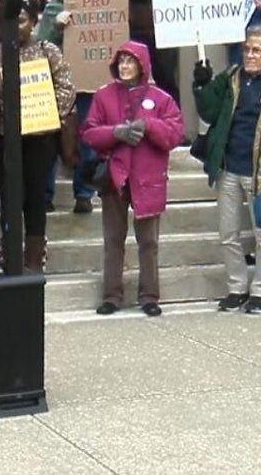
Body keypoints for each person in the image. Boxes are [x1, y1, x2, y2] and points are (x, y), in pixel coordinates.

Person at [82, 41, 183, 316]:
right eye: (121, 61)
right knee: (113, 239)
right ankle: (111, 296)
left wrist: (149, 125)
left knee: (149, 242)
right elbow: (89, 133)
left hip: (148, 179)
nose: (125, 66)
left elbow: (175, 134)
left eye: (130, 61)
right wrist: (116, 132)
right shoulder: (104, 96)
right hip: (115, 176)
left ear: (142, 65)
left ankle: (149, 296)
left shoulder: (161, 99)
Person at [0, 2, 76, 271]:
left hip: (40, 136)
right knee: (9, 195)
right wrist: (4, 107)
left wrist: (44, 110)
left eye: (22, 21)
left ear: (34, 22)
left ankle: (35, 254)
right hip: (4, 136)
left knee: (35, 195)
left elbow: (66, 88)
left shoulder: (48, 51)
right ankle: (10, 248)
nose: (16, 27)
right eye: (10, 22)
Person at [192, 27, 261, 314]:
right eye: (247, 50)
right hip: (229, 167)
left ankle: (259, 291)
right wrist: (202, 84)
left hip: (257, 172)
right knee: (228, 233)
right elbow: (208, 111)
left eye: (256, 51)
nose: (250, 55)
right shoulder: (231, 77)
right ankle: (237, 288)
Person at [38, 0, 98, 214]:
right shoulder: (52, 8)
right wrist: (56, 26)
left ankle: (83, 192)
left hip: (87, 83)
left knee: (89, 138)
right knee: (51, 139)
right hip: (56, 82)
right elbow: (40, 44)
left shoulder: (96, 5)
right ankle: (45, 195)